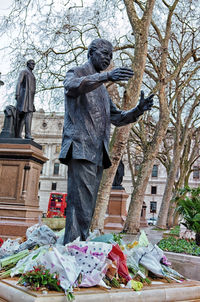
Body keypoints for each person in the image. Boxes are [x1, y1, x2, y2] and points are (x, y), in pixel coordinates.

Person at [59, 38, 154, 244]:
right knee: (80, 207)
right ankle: (73, 250)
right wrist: (107, 76)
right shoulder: (77, 73)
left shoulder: (102, 89)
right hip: (80, 147)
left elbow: (118, 117)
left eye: (111, 56)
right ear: (91, 53)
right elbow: (72, 86)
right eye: (105, 54)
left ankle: (79, 247)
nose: (108, 59)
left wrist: (138, 109)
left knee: (88, 207)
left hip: (97, 152)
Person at [15, 59, 36, 139]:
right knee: (22, 115)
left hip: (30, 98)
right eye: (32, 64)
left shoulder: (32, 74)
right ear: (28, 64)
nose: (33, 65)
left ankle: (27, 134)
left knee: (28, 115)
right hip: (24, 96)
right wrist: (17, 93)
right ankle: (19, 134)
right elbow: (19, 82)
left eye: (34, 64)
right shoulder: (24, 71)